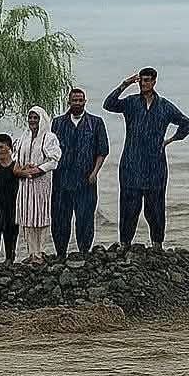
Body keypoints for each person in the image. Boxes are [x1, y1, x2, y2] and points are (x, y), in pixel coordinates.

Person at [103, 67, 189, 248]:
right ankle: (125, 244)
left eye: (147, 80)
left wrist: (170, 140)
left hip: (155, 165)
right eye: (141, 80)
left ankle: (157, 244)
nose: (143, 84)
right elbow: (109, 104)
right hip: (131, 163)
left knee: (155, 208)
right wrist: (125, 84)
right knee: (129, 208)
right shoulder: (131, 102)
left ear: (154, 81)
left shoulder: (165, 106)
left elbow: (186, 124)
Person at [51, 87, 109, 256]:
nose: (77, 103)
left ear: (85, 102)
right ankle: (60, 253)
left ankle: (84, 252)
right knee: (60, 218)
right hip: (62, 180)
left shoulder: (95, 123)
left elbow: (102, 151)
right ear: (68, 102)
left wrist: (94, 172)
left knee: (85, 218)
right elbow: (50, 150)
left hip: (86, 180)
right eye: (74, 100)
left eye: (80, 100)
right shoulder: (58, 123)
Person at [13, 106, 61, 265]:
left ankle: (40, 252)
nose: (32, 121)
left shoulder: (49, 137)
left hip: (41, 183)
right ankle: (31, 252)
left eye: (36, 118)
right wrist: (22, 170)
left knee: (41, 216)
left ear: (42, 119)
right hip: (25, 184)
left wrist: (37, 170)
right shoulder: (24, 137)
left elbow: (54, 161)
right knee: (27, 217)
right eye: (30, 117)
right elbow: (16, 159)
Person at [0, 134, 19, 266]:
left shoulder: (16, 167)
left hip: (12, 203)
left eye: (0, 147)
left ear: (8, 147)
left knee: (10, 229)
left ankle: (9, 258)